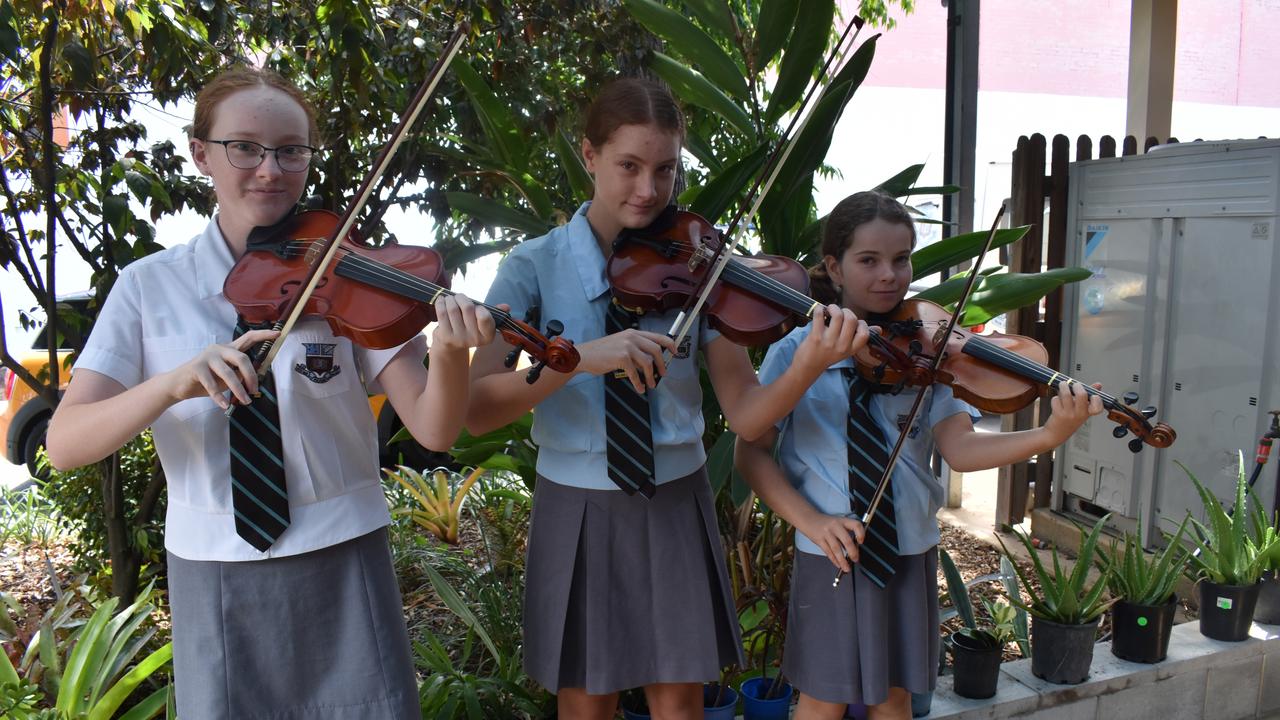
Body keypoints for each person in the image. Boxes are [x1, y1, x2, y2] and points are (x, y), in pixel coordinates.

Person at [45, 66, 495, 720]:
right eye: (245, 148)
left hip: (345, 559)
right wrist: (172, 384)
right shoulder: (148, 288)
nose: (269, 169)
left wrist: (452, 352)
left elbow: (435, 430)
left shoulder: (346, 275)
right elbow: (64, 443)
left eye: (290, 150)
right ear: (202, 153)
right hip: (215, 572)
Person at [465, 77, 871, 720]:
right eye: (628, 166)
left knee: (679, 703)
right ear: (590, 155)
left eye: (665, 169)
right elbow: (475, 406)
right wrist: (573, 363)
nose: (649, 191)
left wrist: (809, 364)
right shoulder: (534, 266)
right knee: (586, 701)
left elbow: (745, 413)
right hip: (577, 505)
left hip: (674, 499)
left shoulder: (698, 265)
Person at [733, 191, 1104, 720]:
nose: (890, 275)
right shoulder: (795, 351)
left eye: (901, 258)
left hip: (906, 548)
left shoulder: (930, 352)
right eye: (869, 261)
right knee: (824, 696)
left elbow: (961, 447)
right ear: (835, 268)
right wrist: (813, 523)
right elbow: (752, 454)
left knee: (895, 697)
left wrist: (1048, 436)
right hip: (829, 550)